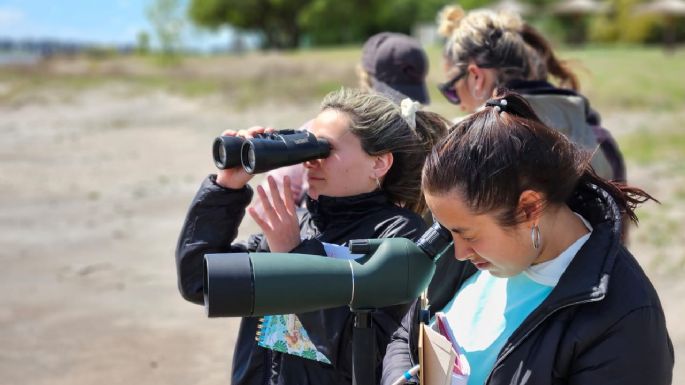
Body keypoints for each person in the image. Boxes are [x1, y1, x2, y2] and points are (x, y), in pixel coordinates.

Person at [381, 91, 673, 385]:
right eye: (447, 230)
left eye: (466, 234)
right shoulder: (468, 242)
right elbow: (406, 336)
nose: (457, 252)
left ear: (530, 208)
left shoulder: (624, 317)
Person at [176, 88, 449, 385]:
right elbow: (198, 281)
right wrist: (226, 188)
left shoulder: (398, 237)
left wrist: (294, 256)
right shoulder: (298, 224)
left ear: (378, 163)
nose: (310, 161)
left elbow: (369, 357)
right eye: (308, 147)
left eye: (324, 149)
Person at [435, 5, 625, 183]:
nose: (459, 104)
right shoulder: (600, 139)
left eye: (452, 90)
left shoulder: (461, 146)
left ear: (476, 77)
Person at [251, 32, 431, 212]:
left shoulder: (320, 128)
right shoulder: (429, 139)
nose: (310, 162)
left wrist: (301, 231)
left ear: (365, 77)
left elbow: (270, 200)